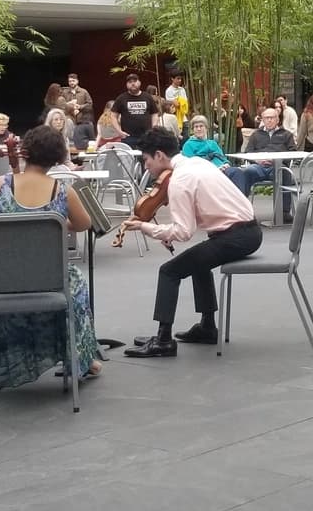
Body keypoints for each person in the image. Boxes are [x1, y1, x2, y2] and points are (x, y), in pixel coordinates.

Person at [0, 126, 102, 392]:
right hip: (50, 282)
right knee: (76, 283)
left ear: (24, 152)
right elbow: (84, 224)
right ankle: (82, 359)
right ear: (58, 158)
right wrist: (55, 222)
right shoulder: (63, 191)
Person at [120, 129, 262, 359]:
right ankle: (207, 327)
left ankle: (164, 340)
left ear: (159, 155)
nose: (146, 166)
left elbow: (183, 232)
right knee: (198, 262)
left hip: (236, 237)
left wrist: (146, 227)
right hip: (249, 232)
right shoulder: (197, 162)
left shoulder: (180, 179)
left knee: (169, 271)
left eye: (146, 160)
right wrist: (165, 232)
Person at [226, 106, 299, 221]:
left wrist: (276, 160)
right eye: (266, 118)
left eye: (272, 117)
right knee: (245, 173)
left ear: (277, 119)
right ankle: (242, 211)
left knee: (285, 173)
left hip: (278, 167)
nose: (269, 120)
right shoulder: (256, 135)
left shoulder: (286, 134)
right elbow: (248, 152)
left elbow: (293, 152)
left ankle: (284, 212)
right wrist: (258, 160)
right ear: (262, 120)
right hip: (258, 166)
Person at [111, 73, 156, 140]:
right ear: (126, 84)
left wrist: (153, 128)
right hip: (128, 137)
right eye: (130, 82)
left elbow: (155, 114)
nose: (132, 84)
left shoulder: (148, 97)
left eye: (135, 81)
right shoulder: (121, 98)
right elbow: (113, 116)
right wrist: (119, 131)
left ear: (139, 82)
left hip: (147, 137)